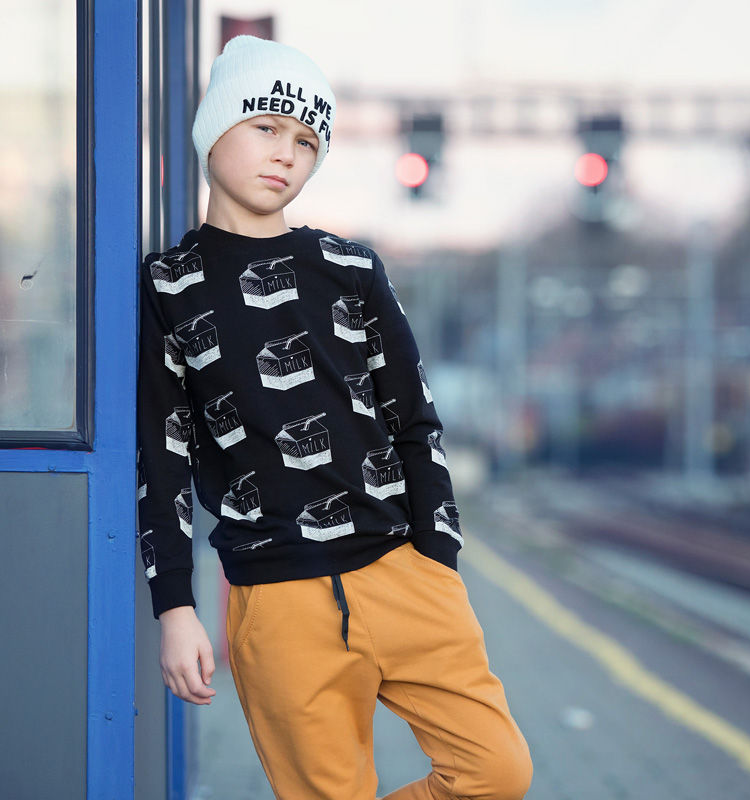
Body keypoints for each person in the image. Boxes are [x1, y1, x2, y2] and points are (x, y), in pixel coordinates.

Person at [137, 35, 532, 800]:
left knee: (496, 771)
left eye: (307, 141)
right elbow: (164, 455)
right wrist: (176, 608)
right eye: (266, 127)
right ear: (214, 127)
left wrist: (437, 558)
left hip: (402, 571)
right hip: (278, 597)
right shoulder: (169, 285)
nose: (285, 154)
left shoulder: (350, 269)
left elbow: (414, 419)